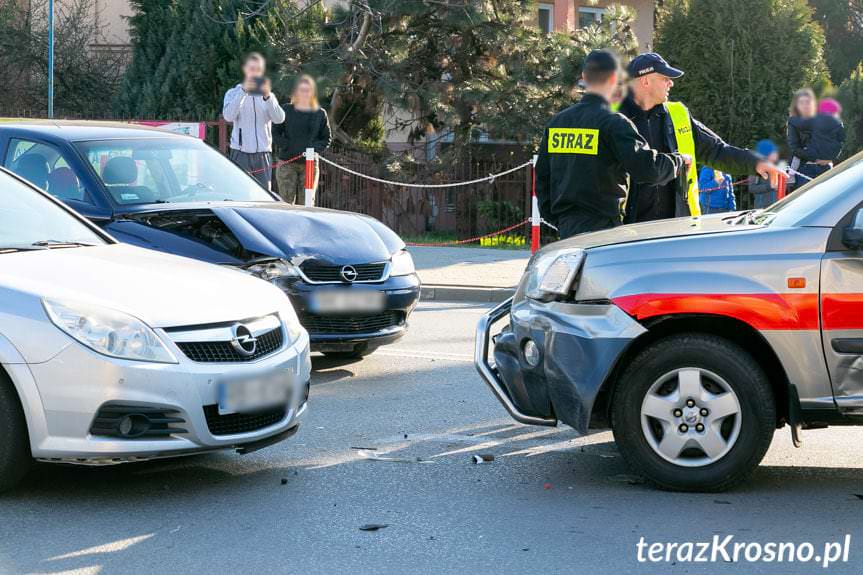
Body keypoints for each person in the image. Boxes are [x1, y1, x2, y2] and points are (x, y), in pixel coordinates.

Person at [535, 50, 687, 239]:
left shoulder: (557, 123)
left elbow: (542, 179)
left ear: (584, 77)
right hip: (604, 230)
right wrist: (678, 161)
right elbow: (647, 168)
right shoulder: (614, 123)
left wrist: (559, 220)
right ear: (615, 78)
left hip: (567, 229)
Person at [617, 52, 782, 223]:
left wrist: (755, 162)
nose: (671, 83)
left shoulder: (677, 115)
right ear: (645, 80)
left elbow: (716, 150)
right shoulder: (612, 118)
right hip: (627, 231)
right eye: (665, 78)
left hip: (675, 228)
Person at [222, 52, 286, 189]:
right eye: (252, 69)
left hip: (263, 154)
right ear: (245, 70)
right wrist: (243, 92)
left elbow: (279, 119)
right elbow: (228, 116)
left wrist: (268, 97)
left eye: (258, 69)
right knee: (239, 191)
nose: (254, 72)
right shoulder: (233, 93)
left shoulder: (269, 95)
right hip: (240, 153)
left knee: (263, 196)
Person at [273, 74, 332, 205]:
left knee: (307, 204)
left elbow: (326, 139)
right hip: (287, 163)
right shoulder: (286, 110)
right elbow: (275, 133)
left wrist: (312, 149)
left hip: (309, 165)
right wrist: (287, 145)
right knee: (286, 203)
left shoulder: (320, 113)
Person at [788, 95, 845, 185]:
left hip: (826, 166)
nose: (805, 105)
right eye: (801, 103)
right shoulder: (794, 123)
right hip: (806, 167)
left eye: (808, 102)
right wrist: (816, 158)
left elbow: (840, 142)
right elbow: (794, 147)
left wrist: (830, 158)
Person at [748, 139, 780, 208]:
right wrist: (769, 187)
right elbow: (752, 188)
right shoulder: (756, 167)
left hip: (776, 206)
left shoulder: (776, 167)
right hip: (761, 207)